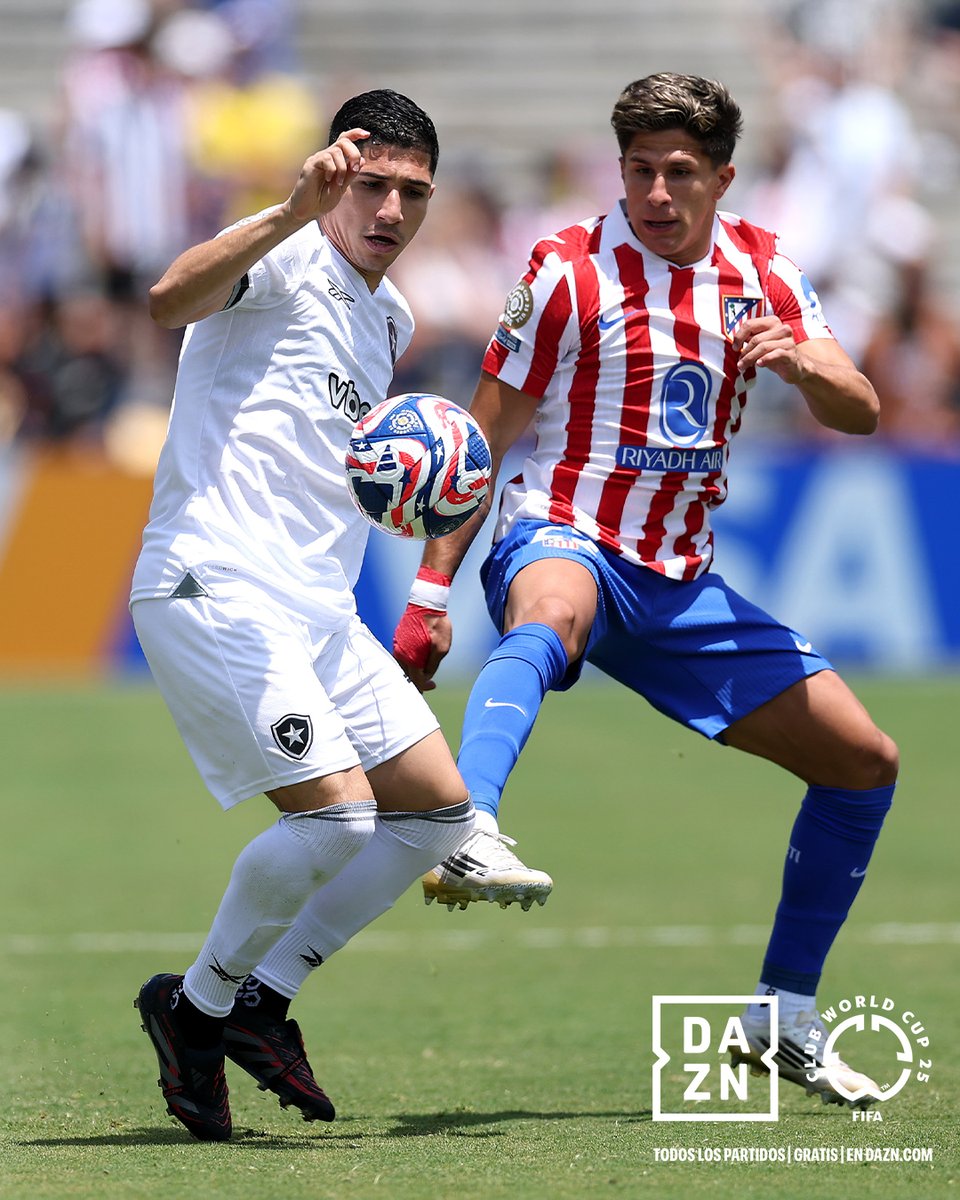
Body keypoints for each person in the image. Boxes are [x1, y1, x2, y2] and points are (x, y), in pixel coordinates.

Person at [392, 72, 898, 1106]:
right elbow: (483, 437)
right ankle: (468, 827)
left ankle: (783, 1016)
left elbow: (862, 408)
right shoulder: (567, 269)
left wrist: (802, 364)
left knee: (864, 763)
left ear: (722, 178)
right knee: (552, 609)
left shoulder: (765, 271)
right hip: (560, 529)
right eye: (638, 170)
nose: (656, 193)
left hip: (679, 581)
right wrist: (431, 594)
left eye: (678, 172)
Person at [129, 89, 475, 1142]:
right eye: (373, 185)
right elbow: (166, 300)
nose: (391, 209)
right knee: (336, 817)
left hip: (317, 608)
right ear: (338, 174)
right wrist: (289, 210)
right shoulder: (282, 253)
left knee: (438, 813)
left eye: (413, 192)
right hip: (215, 580)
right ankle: (196, 1009)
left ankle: (260, 998)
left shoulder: (392, 315)